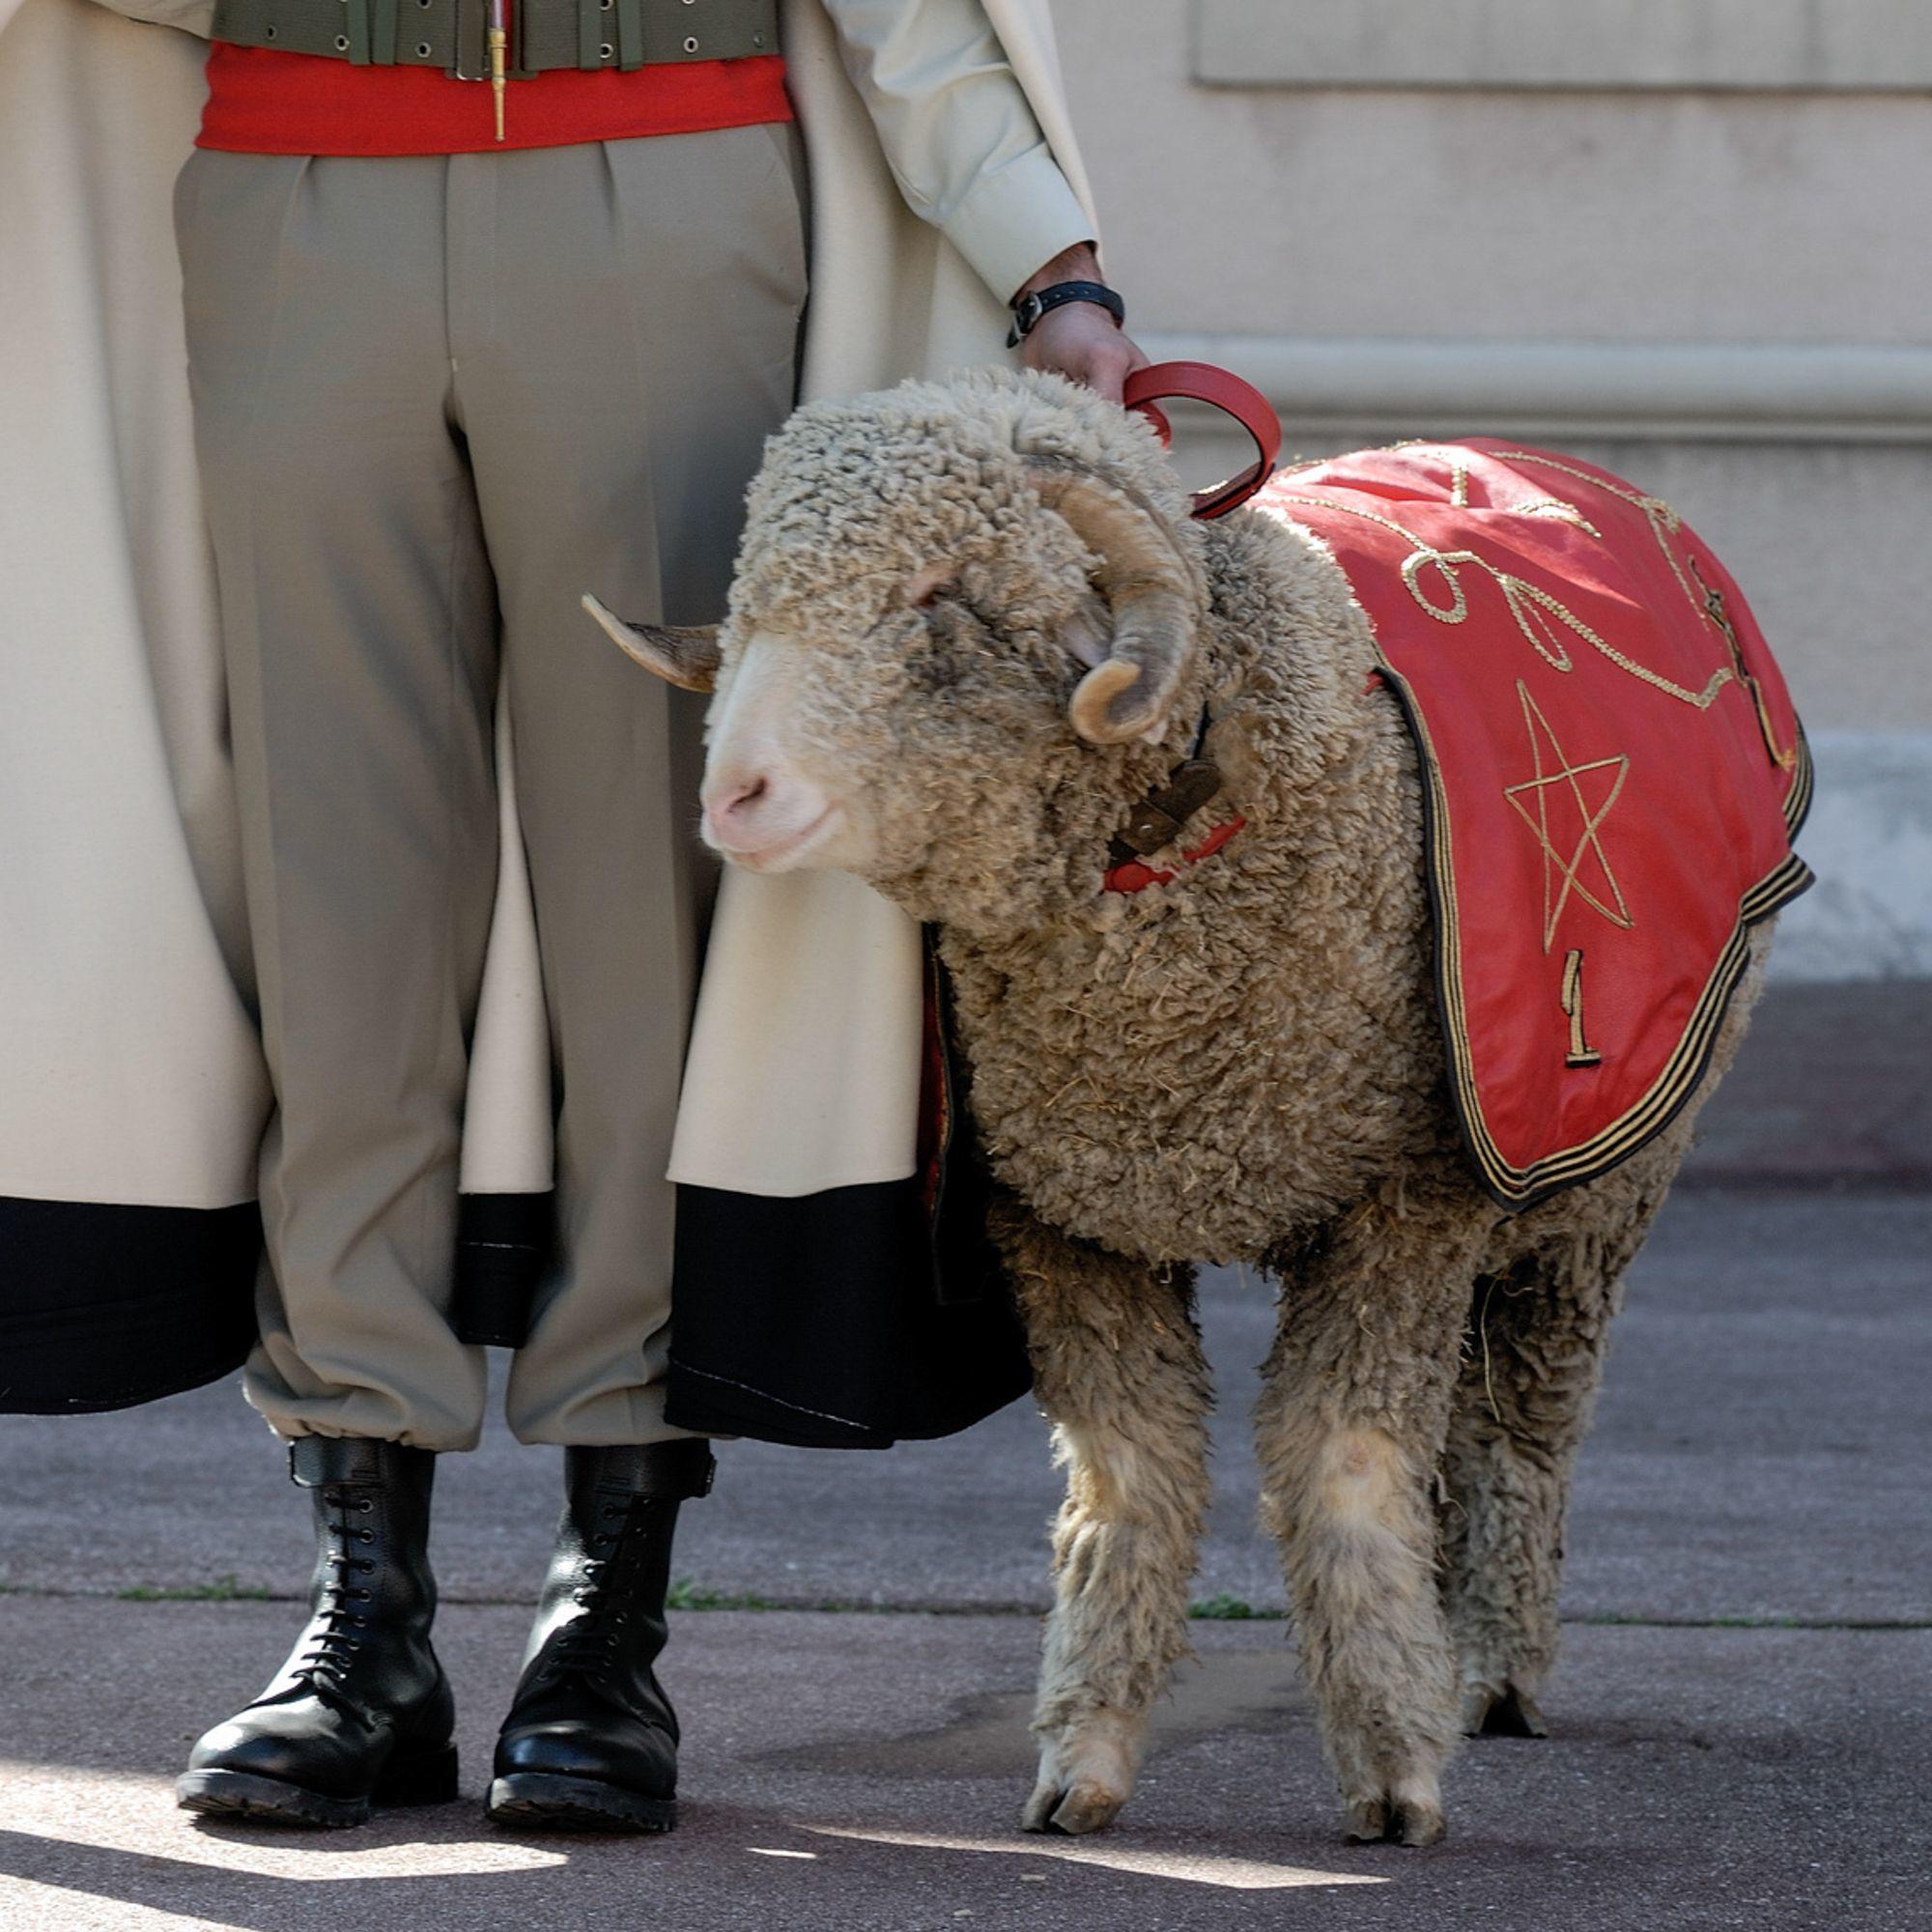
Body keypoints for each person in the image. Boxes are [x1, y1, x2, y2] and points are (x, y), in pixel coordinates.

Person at [131, 0, 1150, 1833]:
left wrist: (1047, 257)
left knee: (659, 924)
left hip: (663, 187)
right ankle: (365, 1611)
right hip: (289, 190)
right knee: (333, 907)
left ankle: (608, 1610)